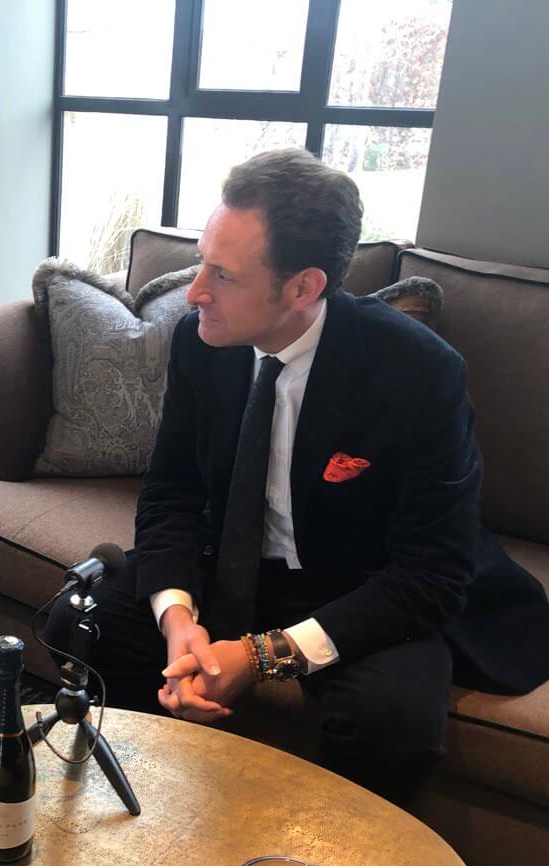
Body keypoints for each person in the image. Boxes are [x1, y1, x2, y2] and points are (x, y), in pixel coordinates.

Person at [50, 148, 549, 804]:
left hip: (365, 583)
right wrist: (178, 622)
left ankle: (326, 860)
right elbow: (172, 492)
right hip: (230, 560)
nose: (194, 292)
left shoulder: (418, 371)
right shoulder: (202, 340)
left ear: (303, 288)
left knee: (392, 725)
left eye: (222, 275)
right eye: (201, 262)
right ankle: (157, 800)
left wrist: (261, 656)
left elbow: (433, 571)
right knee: (76, 623)